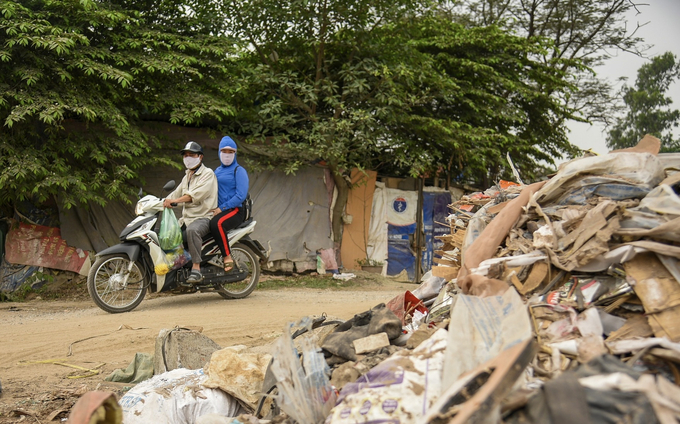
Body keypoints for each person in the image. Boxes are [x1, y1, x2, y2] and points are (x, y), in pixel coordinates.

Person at [163, 141, 217, 283]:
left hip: (203, 217)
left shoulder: (208, 174)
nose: (188, 158)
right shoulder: (187, 175)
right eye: (185, 155)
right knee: (168, 235)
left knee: (192, 231)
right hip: (186, 218)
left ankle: (196, 269)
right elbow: (175, 194)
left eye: (191, 155)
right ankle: (177, 270)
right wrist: (161, 202)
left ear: (200, 157)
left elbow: (195, 195)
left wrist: (176, 201)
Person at [209, 136, 249, 272]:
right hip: (219, 210)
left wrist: (222, 207)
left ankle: (227, 257)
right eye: (224, 151)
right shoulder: (217, 171)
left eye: (230, 152)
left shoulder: (239, 171)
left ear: (235, 153)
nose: (227, 155)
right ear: (219, 152)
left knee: (217, 224)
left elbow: (241, 195)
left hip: (235, 210)